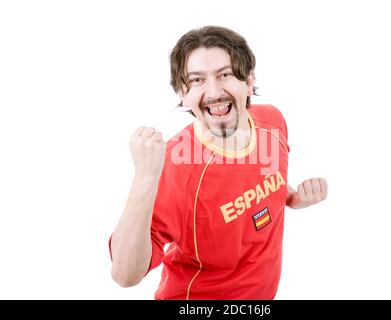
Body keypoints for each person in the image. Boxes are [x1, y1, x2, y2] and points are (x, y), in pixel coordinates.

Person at [109, 26, 327, 300]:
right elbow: (124, 274)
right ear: (182, 93)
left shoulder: (273, 122)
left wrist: (292, 196)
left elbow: (257, 179)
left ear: (248, 81)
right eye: (197, 80)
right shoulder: (175, 166)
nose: (213, 92)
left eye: (224, 75)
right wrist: (144, 178)